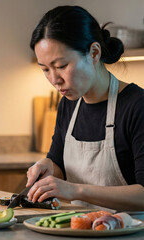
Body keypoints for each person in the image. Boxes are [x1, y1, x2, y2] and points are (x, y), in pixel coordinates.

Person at [26, 5, 144, 211]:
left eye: (61, 66)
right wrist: (47, 167)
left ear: (94, 53)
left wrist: (76, 190)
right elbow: (59, 165)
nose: (54, 79)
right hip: (82, 228)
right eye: (45, 69)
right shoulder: (68, 105)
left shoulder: (137, 106)